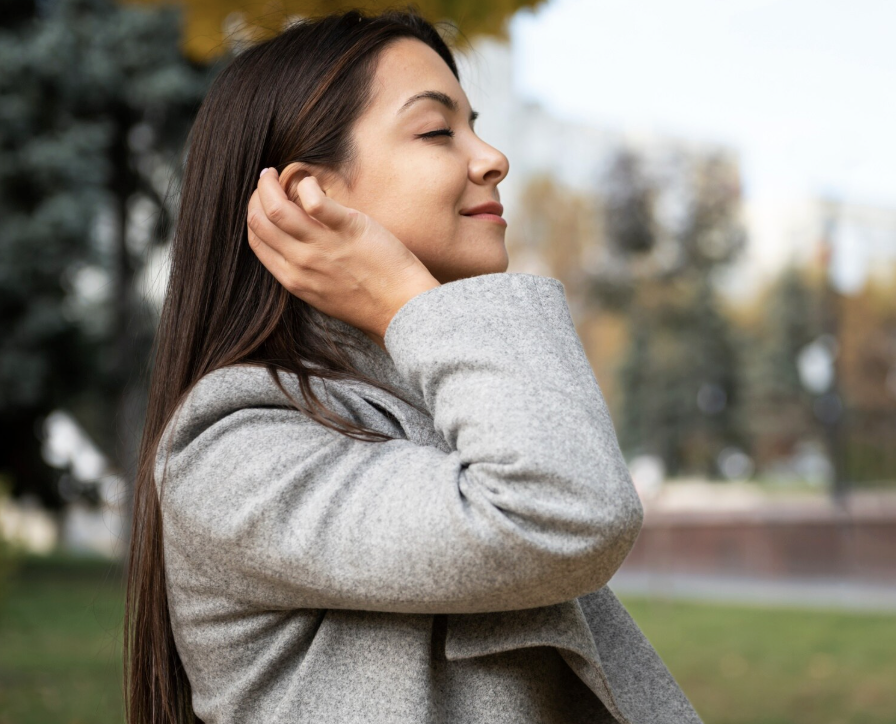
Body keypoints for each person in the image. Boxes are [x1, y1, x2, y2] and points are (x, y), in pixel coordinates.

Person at [124, 6, 705, 724]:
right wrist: (404, 296)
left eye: (476, 125)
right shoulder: (232, 448)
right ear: (310, 197)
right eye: (438, 131)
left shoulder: (450, 402)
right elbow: (565, 511)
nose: (493, 157)